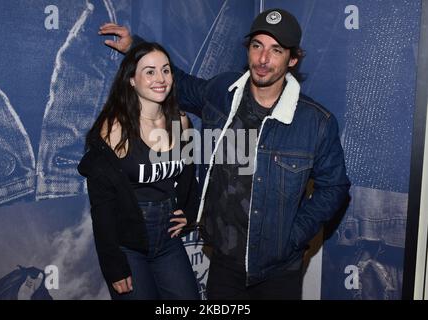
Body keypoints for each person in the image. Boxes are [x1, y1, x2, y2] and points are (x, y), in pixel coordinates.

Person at [99, 8, 350, 300]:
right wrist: (135, 48)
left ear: (292, 59)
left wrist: (292, 237)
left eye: (276, 50)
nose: (263, 59)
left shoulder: (315, 122)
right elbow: (177, 81)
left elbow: (335, 188)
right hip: (224, 265)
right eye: (257, 46)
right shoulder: (223, 91)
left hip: (278, 271)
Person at [77, 42, 200, 300]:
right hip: (128, 242)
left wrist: (189, 211)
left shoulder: (181, 121)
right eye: (150, 71)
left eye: (166, 70)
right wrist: (114, 265)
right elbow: (102, 206)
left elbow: (189, 174)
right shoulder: (114, 129)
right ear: (132, 79)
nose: (160, 79)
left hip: (168, 239)